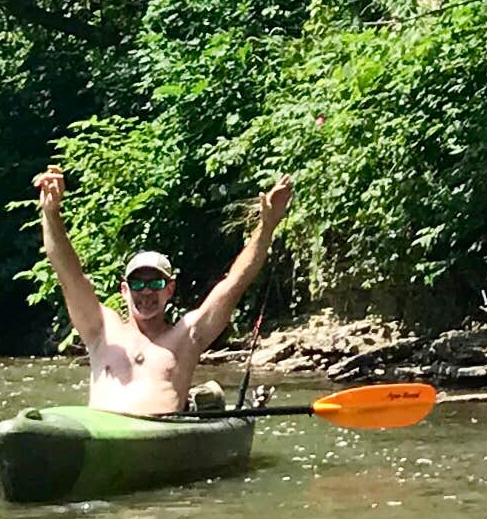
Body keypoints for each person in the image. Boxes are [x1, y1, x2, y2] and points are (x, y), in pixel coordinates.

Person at [32, 164, 294, 416]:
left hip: (163, 439)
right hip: (105, 436)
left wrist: (266, 226)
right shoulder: (101, 328)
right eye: (138, 284)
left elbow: (233, 284)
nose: (146, 292)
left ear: (169, 290)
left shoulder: (187, 335)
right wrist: (51, 213)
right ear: (124, 290)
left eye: (155, 284)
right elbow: (70, 276)